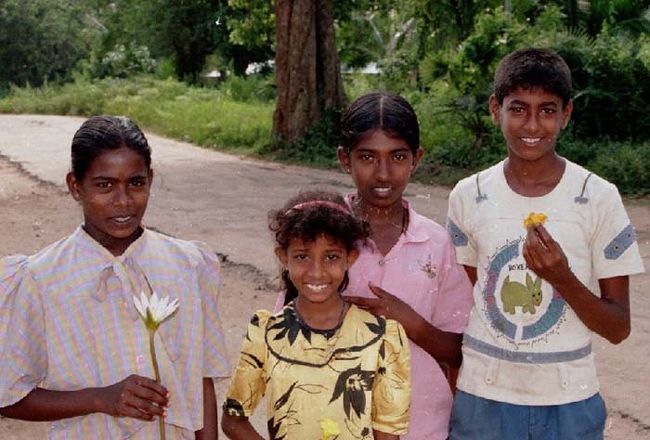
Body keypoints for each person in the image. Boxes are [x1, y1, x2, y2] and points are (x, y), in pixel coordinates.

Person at [446, 48, 645, 439]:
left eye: (548, 110)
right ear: (495, 109)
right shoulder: (469, 196)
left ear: (566, 114)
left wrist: (561, 277)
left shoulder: (597, 197)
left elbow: (618, 327)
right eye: (518, 108)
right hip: (484, 399)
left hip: (569, 402)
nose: (532, 124)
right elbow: (475, 295)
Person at [0, 115, 229, 439]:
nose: (122, 201)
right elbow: (8, 396)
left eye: (135, 183)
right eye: (104, 185)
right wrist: (99, 398)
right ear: (75, 186)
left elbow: (201, 381)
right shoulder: (41, 279)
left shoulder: (188, 265)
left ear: (150, 179)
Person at [276, 92, 474, 439]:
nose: (383, 173)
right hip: (334, 426)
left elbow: (459, 350)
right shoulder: (322, 238)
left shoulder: (437, 243)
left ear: (416, 159)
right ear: (344, 159)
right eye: (367, 157)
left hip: (423, 425)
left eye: (397, 156)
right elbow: (284, 337)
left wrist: (411, 323)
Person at [221, 190, 411, 440]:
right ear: (283, 258)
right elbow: (233, 420)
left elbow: (388, 433)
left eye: (331, 257)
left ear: (350, 258)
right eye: (302, 256)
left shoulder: (382, 337)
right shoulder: (266, 333)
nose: (317, 272)